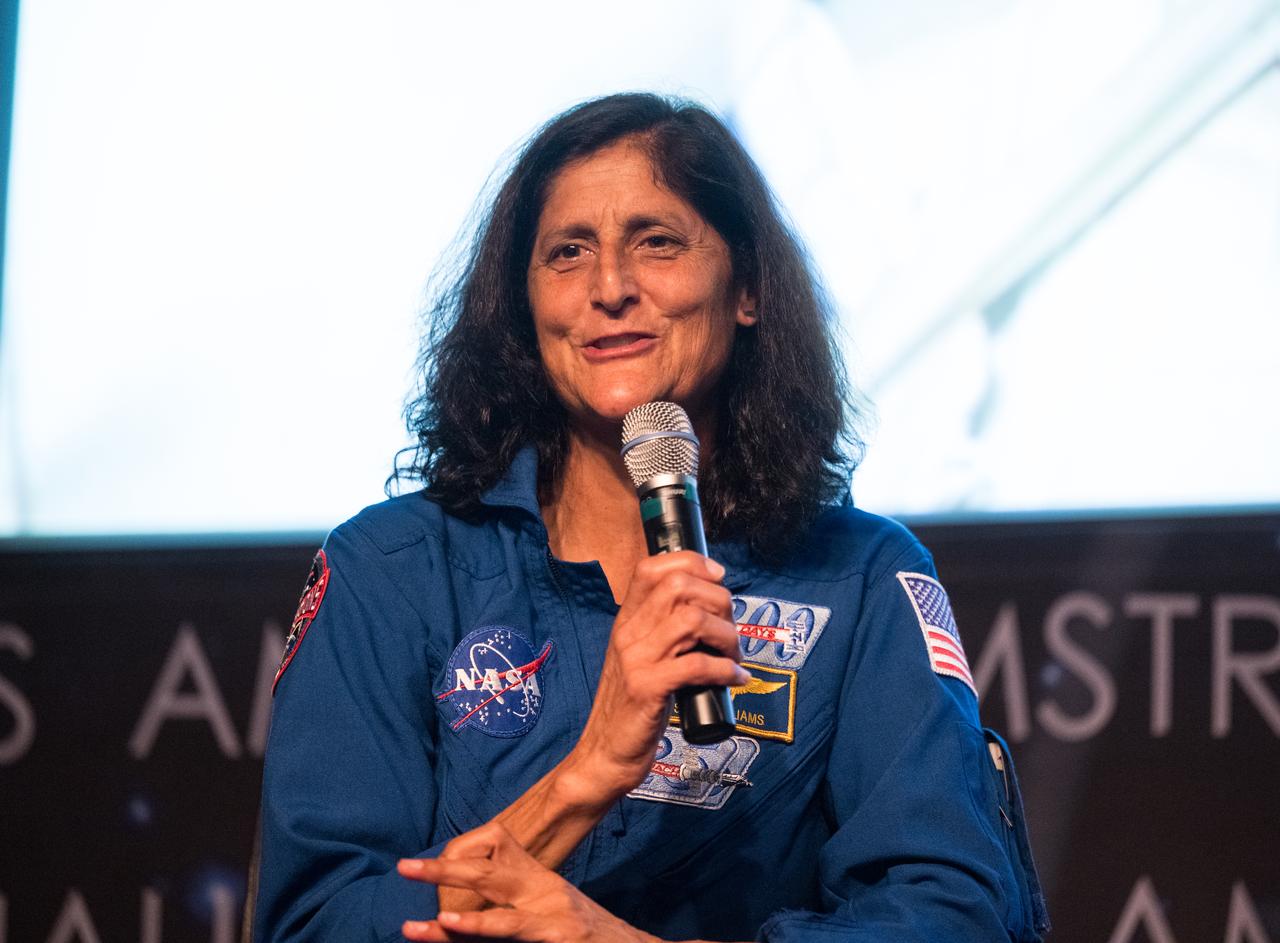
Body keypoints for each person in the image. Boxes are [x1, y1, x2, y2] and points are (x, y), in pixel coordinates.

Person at [253, 92, 1049, 942]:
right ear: (524, 305)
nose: (610, 289)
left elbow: (950, 914)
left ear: (747, 287)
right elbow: (317, 923)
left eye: (656, 242)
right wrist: (588, 772)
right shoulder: (392, 569)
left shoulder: (857, 576)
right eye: (568, 253)